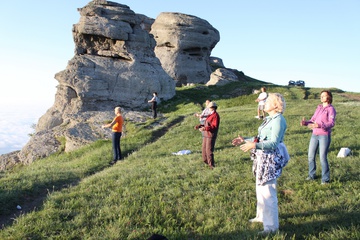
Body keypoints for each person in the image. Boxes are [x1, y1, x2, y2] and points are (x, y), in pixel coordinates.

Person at [232, 93, 290, 235]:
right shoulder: (270, 119)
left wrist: (254, 146)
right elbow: (260, 138)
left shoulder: (278, 120)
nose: (264, 103)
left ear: (276, 105)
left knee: (268, 191)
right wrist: (245, 139)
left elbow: (274, 143)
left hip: (270, 158)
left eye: (268, 101)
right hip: (263, 157)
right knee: (260, 188)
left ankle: (271, 228)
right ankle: (261, 216)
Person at [301, 90, 336, 184]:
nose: (321, 97)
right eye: (321, 96)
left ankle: (325, 179)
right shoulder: (319, 108)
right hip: (314, 135)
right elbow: (313, 120)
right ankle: (311, 175)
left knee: (322, 158)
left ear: (329, 97)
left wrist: (320, 125)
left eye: (324, 96)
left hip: (324, 136)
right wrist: (305, 123)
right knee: (310, 156)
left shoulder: (331, 109)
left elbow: (331, 123)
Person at [199, 102, 220, 169]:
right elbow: (207, 124)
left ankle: (212, 166)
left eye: (210, 107)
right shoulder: (209, 115)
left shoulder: (215, 115)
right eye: (209, 107)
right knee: (204, 149)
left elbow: (214, 126)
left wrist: (205, 128)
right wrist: (200, 126)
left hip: (211, 135)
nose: (209, 108)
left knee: (209, 150)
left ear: (214, 108)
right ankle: (206, 162)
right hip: (206, 134)